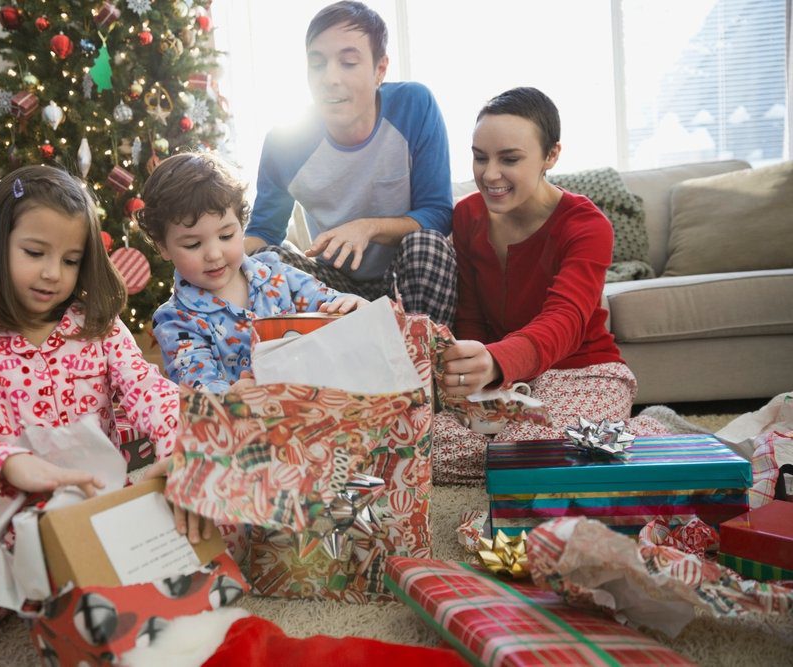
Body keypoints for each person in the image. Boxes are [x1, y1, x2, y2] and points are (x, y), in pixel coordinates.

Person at [0, 166, 192, 665]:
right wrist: (5, 464)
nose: (53, 274)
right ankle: (29, 593)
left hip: (100, 511)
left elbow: (152, 392)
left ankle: (61, 595)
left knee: (214, 529)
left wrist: (177, 449)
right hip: (4, 525)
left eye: (70, 260)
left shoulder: (102, 331)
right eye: (34, 253)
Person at [434, 87, 668, 482]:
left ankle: (644, 436)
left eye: (509, 159)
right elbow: (471, 314)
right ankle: (587, 445)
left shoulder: (586, 225)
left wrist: (495, 360)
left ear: (551, 156)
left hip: (580, 369)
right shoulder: (467, 215)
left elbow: (566, 319)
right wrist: (477, 380)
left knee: (528, 450)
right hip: (504, 377)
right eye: (479, 157)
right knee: (413, 444)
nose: (489, 174)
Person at [245, 1, 456, 325]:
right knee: (264, 260)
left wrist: (368, 227)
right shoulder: (284, 143)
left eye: (348, 62)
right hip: (333, 288)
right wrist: (207, 257)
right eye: (317, 64)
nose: (330, 78)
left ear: (380, 69)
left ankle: (421, 362)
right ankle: (332, 366)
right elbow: (264, 234)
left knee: (426, 244)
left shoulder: (414, 106)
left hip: (405, 278)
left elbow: (438, 215)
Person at [142, 152, 367, 394]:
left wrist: (351, 305)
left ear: (241, 226)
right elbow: (199, 387)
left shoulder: (279, 275)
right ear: (163, 246)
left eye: (226, 236)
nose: (214, 254)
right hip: (241, 427)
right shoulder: (176, 320)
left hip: (313, 411)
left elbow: (330, 305)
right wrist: (232, 396)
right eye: (193, 245)